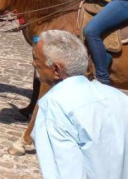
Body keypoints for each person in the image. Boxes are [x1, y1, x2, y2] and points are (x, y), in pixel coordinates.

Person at [31, 30, 128, 179]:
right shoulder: (120, 98)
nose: (32, 63)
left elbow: (64, 172)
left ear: (56, 69)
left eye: (36, 59)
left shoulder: (53, 106)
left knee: (92, 30)